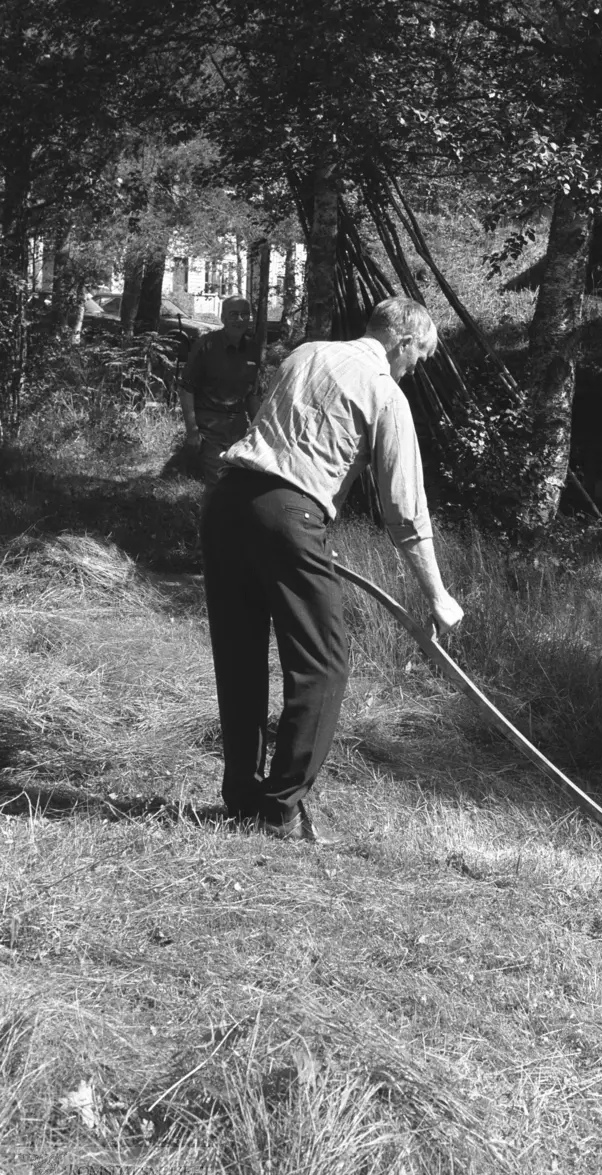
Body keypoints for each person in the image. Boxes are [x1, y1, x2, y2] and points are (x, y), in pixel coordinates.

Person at [200, 296, 464, 843]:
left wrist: (303, 531)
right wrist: (438, 595)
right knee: (324, 664)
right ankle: (280, 810)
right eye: (419, 357)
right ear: (403, 341)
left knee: (241, 657)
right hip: (288, 517)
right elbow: (405, 511)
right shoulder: (385, 393)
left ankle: (243, 799)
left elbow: (280, 435)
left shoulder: (304, 354)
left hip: (227, 505)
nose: (414, 369)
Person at [178, 295, 262, 491]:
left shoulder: (252, 348)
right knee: (218, 483)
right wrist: (192, 431)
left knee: (239, 482)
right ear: (222, 317)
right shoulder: (205, 345)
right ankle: (211, 520)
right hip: (210, 426)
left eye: (244, 314)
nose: (239, 320)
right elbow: (186, 388)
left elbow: (252, 394)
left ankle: (226, 520)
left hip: (239, 426)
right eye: (233, 314)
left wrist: (258, 428)